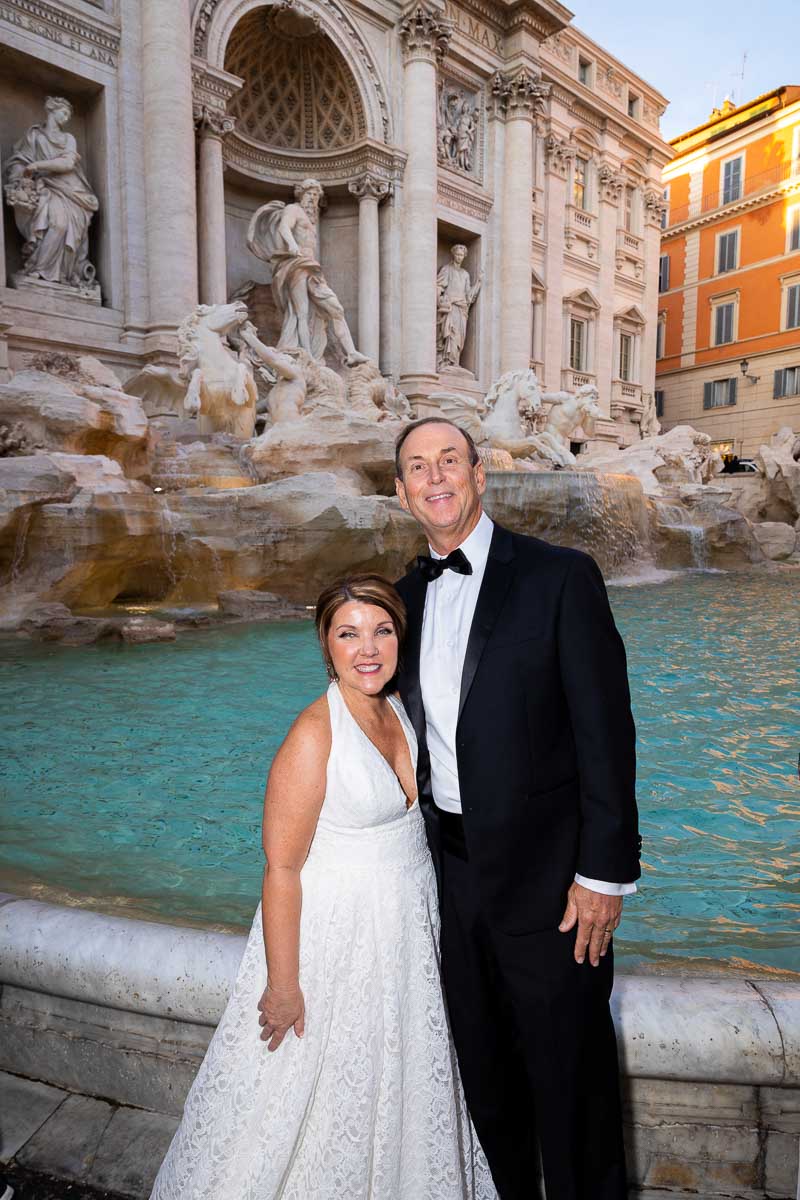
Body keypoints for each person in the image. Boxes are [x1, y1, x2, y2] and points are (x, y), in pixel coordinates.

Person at [149, 573, 496, 1200]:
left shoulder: (395, 706)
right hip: (341, 946)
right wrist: (283, 986)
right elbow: (281, 868)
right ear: (326, 646)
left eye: (382, 630)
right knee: (310, 1101)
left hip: (404, 942)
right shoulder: (313, 735)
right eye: (348, 634)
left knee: (398, 1093)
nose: (368, 648)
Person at [393, 417, 641, 1200]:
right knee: (488, 1087)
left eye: (449, 461)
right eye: (417, 468)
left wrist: (603, 873)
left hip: (552, 890)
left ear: (480, 474)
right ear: (400, 493)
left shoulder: (560, 576)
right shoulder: (399, 600)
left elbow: (607, 731)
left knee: (574, 1091)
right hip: (450, 881)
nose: (436, 478)